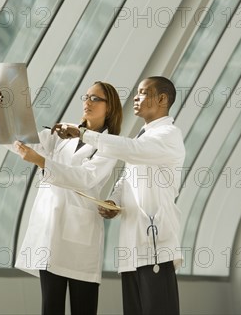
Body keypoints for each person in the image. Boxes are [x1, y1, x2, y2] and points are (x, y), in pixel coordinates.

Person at [53, 76, 185, 315]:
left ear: (163, 98)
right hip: (132, 251)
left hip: (156, 248)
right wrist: (113, 200)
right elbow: (127, 177)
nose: (135, 97)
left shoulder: (168, 134)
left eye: (144, 92)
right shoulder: (143, 136)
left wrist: (83, 134)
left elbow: (131, 151)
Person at [0, 81, 122, 315]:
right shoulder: (60, 135)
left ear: (109, 107)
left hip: (80, 235)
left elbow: (85, 178)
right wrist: (0, 112)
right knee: (50, 307)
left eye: (95, 99)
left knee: (84, 308)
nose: (87, 102)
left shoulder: (109, 145)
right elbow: (21, 142)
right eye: (86, 97)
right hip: (50, 233)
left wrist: (41, 161)